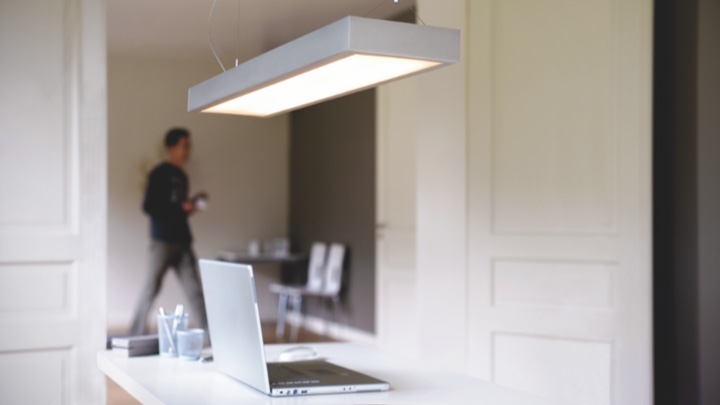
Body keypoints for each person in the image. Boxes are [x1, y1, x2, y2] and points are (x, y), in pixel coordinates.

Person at [130, 127, 209, 336]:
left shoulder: (182, 176)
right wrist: (179, 208)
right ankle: (134, 335)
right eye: (185, 145)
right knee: (150, 289)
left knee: (196, 292)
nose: (189, 150)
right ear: (172, 147)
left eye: (189, 145)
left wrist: (191, 205)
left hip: (183, 241)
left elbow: (178, 210)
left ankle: (211, 337)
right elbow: (148, 207)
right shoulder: (158, 174)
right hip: (162, 241)